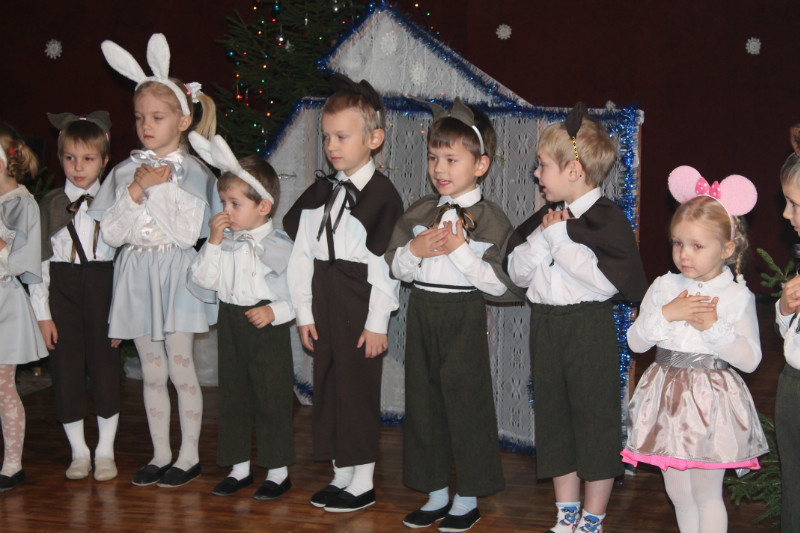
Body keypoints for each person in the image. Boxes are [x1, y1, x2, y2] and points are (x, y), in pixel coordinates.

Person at [506, 103, 648, 533]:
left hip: (588, 328)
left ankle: (593, 518)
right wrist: (545, 238)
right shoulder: (545, 220)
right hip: (546, 327)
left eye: (542, 166)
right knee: (554, 418)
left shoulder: (605, 220)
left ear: (573, 170)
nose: (536, 173)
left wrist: (559, 239)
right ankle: (565, 513)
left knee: (594, 420)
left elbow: (605, 283)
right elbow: (517, 272)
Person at [88, 33, 219, 488]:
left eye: (157, 117)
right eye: (140, 117)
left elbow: (186, 234)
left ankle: (189, 455)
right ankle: (160, 452)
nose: (146, 125)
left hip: (176, 276)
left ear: (182, 120)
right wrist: (137, 189)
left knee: (181, 368)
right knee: (152, 371)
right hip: (137, 276)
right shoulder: (126, 171)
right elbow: (112, 233)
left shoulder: (194, 172)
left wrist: (159, 190)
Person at [385, 98, 521, 532]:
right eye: (433, 158)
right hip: (422, 312)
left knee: (467, 406)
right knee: (424, 404)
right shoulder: (420, 212)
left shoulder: (491, 219)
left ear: (480, 165)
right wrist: (413, 250)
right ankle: (436, 493)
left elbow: (504, 285)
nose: (439, 169)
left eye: (451, 159)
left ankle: (467, 497)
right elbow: (395, 267)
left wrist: (462, 252)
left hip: (462, 316)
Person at [622, 166, 768, 533]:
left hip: (710, 403)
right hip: (667, 402)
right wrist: (666, 314)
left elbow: (751, 360)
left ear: (727, 248)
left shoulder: (735, 297)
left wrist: (714, 328)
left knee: (706, 492)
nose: (684, 254)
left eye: (697, 246)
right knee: (678, 492)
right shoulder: (664, 287)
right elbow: (635, 342)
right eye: (678, 243)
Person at [283, 74, 403, 513]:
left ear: (374, 139)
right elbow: (301, 256)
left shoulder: (382, 196)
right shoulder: (322, 190)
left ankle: (363, 481)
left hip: (359, 299)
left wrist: (377, 323)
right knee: (330, 386)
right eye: (326, 137)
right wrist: (303, 312)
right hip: (323, 294)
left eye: (342, 136)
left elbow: (387, 267)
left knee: (357, 391)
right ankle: (340, 474)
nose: (332, 146)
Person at [188, 133, 295, 500]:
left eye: (235, 203)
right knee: (233, 395)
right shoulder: (224, 242)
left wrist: (274, 311)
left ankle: (278, 472)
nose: (226, 211)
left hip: (267, 328)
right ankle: (239, 468)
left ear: (263, 206)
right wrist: (214, 242)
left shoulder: (280, 246)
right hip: (231, 322)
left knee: (271, 397)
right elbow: (203, 280)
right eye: (223, 202)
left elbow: (300, 294)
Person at [30, 111, 121, 482]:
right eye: (70, 158)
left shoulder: (117, 202)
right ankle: (79, 451)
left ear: (104, 160)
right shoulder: (50, 205)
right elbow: (38, 263)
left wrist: (124, 314)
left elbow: (127, 261)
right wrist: (43, 314)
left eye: (88, 158)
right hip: (62, 289)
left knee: (105, 368)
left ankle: (105, 451)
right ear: (60, 157)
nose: (78, 167)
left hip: (104, 288)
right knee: (66, 369)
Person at [0, 123, 47, 492]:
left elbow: (23, 263)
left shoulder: (22, 205)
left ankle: (12, 464)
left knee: (3, 385)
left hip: (5, 303)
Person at [774, 133, 800, 533]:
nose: (784, 213)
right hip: (792, 385)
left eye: (794, 204)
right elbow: (790, 335)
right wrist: (784, 309)